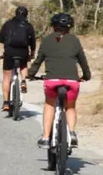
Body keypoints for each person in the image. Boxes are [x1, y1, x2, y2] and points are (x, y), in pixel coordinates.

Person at [26, 11, 91, 148]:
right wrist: (86, 75)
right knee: (70, 107)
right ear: (69, 27)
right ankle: (72, 133)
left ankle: (45, 138)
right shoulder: (74, 40)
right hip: (72, 82)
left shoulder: (46, 39)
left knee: (49, 104)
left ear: (53, 26)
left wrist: (31, 74)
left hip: (52, 81)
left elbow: (38, 61)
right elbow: (82, 61)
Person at [0, 6, 37, 113]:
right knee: (23, 64)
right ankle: (23, 81)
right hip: (23, 52)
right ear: (26, 15)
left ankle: (5, 103)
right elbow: (33, 42)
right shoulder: (28, 26)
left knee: (6, 77)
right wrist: (31, 53)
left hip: (9, 52)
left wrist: (5, 41)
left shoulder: (8, 24)